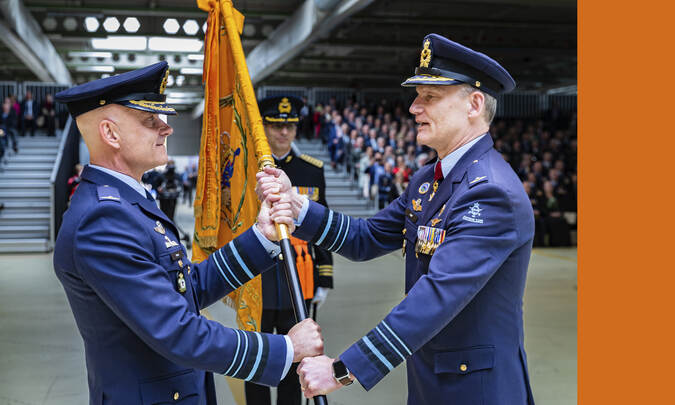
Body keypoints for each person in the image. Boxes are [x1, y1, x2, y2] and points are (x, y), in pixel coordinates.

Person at [261, 33, 535, 404]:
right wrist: (298, 208)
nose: (413, 107)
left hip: (476, 389)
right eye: (417, 96)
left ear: (473, 104)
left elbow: (435, 298)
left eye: (430, 97)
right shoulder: (428, 179)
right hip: (430, 379)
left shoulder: (490, 192)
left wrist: (342, 369)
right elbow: (366, 238)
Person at [52, 62, 324, 405]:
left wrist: (261, 237)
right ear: (111, 134)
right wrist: (286, 348)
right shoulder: (102, 219)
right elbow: (177, 331)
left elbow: (187, 287)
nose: (166, 128)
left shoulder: (125, 202)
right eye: (150, 120)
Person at [244, 95, 335, 405]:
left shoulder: (312, 170)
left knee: (296, 359)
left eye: (290, 126)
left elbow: (321, 225)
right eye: (276, 126)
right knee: (256, 358)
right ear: (264, 128)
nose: (284, 132)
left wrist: (324, 276)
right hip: (257, 276)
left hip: (299, 274)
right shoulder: (248, 168)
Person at [158, 159, 181, 224]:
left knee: (171, 213)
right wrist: (159, 188)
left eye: (172, 165)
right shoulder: (162, 175)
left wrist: (176, 189)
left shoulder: (176, 175)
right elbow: (157, 185)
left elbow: (179, 185)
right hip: (163, 197)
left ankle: (170, 223)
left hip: (173, 197)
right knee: (164, 212)